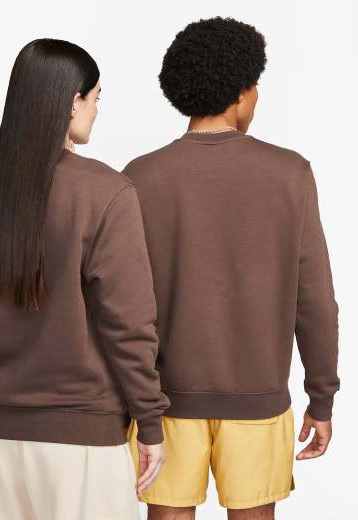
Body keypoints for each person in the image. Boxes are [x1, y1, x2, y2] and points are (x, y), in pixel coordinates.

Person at [124, 16, 340, 520]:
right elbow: (315, 302)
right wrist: (321, 398)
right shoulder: (290, 173)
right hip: (257, 402)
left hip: (163, 403)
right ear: (242, 92)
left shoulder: (139, 176)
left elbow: (122, 304)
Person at [0, 38, 169, 520]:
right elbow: (129, 326)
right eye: (95, 98)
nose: (96, 111)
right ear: (73, 101)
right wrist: (150, 423)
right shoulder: (107, 193)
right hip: (82, 446)